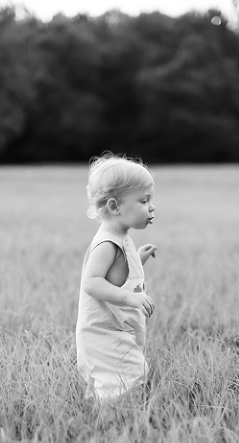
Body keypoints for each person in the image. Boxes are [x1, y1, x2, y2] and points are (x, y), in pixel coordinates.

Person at [75, 153, 157, 407]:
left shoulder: (120, 237)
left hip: (115, 330)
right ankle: (114, 426)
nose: (151, 207)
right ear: (114, 207)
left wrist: (136, 260)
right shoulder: (107, 244)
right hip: (104, 332)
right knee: (128, 377)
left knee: (114, 380)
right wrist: (130, 297)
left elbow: (115, 276)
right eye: (144, 201)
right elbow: (92, 282)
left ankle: (100, 416)